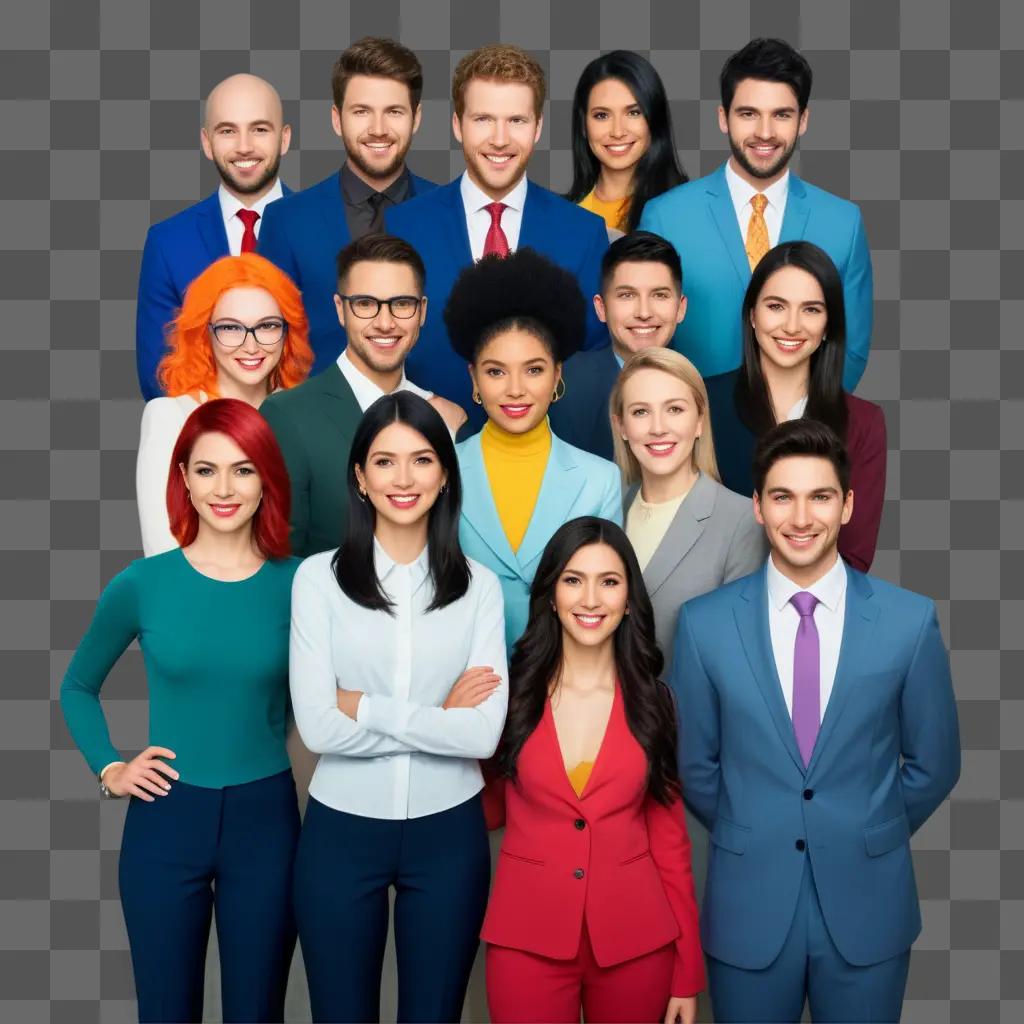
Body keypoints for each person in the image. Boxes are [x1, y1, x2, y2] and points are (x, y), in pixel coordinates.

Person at [672, 420, 960, 1024]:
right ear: (756, 506)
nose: (800, 517)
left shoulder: (909, 622)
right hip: (749, 903)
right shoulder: (705, 625)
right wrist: (754, 822)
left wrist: (866, 826)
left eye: (820, 496)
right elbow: (694, 765)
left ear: (848, 504)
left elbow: (935, 764)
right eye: (782, 496)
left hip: (869, 905)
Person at [60, 399, 302, 1024]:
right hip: (165, 822)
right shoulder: (143, 584)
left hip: (266, 823)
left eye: (243, 470)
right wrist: (110, 769)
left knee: (257, 1013)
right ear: (184, 481)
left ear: (266, 481)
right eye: (206, 470)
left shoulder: (303, 584)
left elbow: (346, 690)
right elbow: (78, 686)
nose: (224, 489)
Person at [289, 391, 508, 1024]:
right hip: (341, 829)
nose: (403, 479)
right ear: (359, 477)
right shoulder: (317, 581)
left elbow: (483, 736)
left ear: (444, 475)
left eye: (421, 460)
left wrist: (366, 706)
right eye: (384, 462)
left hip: (449, 831)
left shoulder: (480, 589)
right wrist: (438, 713)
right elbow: (318, 725)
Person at [483, 517, 704, 1024]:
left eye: (609, 581)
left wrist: (687, 973)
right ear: (552, 594)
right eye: (573, 579)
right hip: (526, 938)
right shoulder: (509, 698)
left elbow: (671, 845)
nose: (590, 599)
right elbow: (487, 810)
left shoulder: (656, 703)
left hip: (636, 940)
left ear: (629, 599)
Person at [386, 44, 610, 423]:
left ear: (538, 127)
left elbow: (595, 358)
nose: (500, 139)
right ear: (458, 124)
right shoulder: (403, 227)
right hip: (430, 452)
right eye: (484, 119)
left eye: (517, 121)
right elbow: (383, 344)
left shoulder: (583, 232)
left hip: (550, 452)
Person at [639, 38, 872, 391]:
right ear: (723, 118)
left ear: (803, 120)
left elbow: (850, 349)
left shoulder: (843, 223)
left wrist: (801, 424)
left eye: (781, 115)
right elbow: (647, 341)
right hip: (693, 433)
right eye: (748, 114)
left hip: (800, 435)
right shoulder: (665, 216)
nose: (765, 133)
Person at [445, 249, 622, 649]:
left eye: (534, 369)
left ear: (558, 374)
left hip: (564, 685)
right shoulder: (442, 471)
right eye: (495, 371)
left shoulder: (600, 480)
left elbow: (608, 594)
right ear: (473, 377)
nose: (515, 389)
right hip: (464, 683)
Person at [261, 233, 465, 559]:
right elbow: (281, 558)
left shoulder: (447, 416)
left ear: (422, 311)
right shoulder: (287, 415)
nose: (385, 323)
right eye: (366, 305)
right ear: (341, 310)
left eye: (401, 304)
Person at [704, 240, 885, 571]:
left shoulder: (863, 422)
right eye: (776, 306)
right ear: (752, 315)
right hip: (713, 603)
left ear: (829, 324)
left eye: (811, 310)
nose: (791, 326)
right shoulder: (702, 403)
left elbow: (855, 556)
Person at [259, 38, 437, 374]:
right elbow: (265, 342)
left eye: (394, 112)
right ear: (337, 119)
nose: (379, 130)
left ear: (416, 118)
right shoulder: (285, 221)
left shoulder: (452, 213)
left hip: (433, 419)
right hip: (316, 421)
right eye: (362, 112)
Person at [136, 253, 313, 556]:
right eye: (231, 328)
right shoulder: (170, 418)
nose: (251, 345)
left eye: (267, 326)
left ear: (288, 333)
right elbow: (163, 553)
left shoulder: (307, 416)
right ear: (205, 333)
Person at [136, 74, 292, 399]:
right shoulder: (168, 243)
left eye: (260, 129)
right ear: (207, 142)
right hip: (202, 439)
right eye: (227, 131)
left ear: (284, 139)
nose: (244, 146)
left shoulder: (327, 231)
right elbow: (160, 377)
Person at [612, 348, 765, 669]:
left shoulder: (742, 522)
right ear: (622, 426)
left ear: (699, 421)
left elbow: (738, 658)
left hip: (687, 716)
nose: (658, 428)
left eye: (675, 409)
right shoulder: (607, 510)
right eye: (640, 412)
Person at [549, 231, 687, 461]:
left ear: (680, 308)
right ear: (601, 308)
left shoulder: (700, 389)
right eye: (627, 295)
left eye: (659, 295)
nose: (644, 313)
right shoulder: (565, 384)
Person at [565, 50, 688, 236]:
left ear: (654, 118)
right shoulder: (563, 218)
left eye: (633, 112)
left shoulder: (686, 211)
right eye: (602, 115)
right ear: (583, 125)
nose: (617, 132)